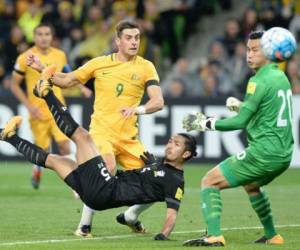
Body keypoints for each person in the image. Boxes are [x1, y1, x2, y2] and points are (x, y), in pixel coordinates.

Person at [0, 74, 196, 240]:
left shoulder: (175, 180)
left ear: (186, 154)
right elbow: (148, 183)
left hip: (106, 189)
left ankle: (46, 93)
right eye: (171, 141)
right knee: (54, 160)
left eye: (176, 144)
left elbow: (172, 213)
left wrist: (163, 235)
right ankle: (10, 137)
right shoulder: (157, 164)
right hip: (97, 195)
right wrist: (152, 166)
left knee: (83, 137)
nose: (170, 145)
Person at [26, 19, 164, 237]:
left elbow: (158, 101)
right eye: (128, 37)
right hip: (102, 132)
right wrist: (43, 69)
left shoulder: (146, 66)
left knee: (158, 182)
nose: (134, 42)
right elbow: (67, 80)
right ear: (118, 41)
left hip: (129, 138)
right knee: (106, 168)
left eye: (137, 37)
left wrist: (137, 110)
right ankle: (84, 226)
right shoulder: (99, 63)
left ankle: (130, 217)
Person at [182, 31, 294, 247]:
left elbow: (239, 123)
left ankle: (214, 236)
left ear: (269, 51)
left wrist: (205, 122)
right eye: (248, 50)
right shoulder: (280, 76)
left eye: (255, 50)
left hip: (263, 153)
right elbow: (266, 115)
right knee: (251, 185)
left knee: (209, 181)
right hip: (283, 155)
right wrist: (243, 106)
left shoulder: (258, 80)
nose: (248, 55)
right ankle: (272, 236)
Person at [11, 23, 71, 190]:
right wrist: (29, 107)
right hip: (38, 111)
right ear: (34, 37)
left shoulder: (60, 55)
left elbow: (68, 73)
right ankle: (37, 169)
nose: (43, 37)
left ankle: (76, 185)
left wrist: (81, 88)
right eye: (40, 34)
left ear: (52, 37)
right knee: (43, 150)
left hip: (58, 108)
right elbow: (14, 85)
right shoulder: (25, 57)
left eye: (47, 34)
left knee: (65, 145)